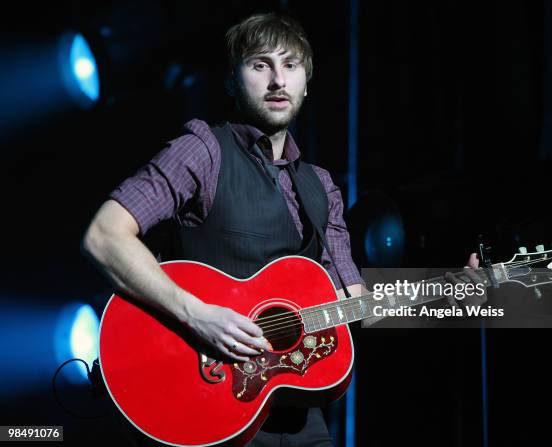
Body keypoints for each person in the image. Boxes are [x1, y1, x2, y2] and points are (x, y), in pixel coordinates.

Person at [82, 12, 482, 446]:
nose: (277, 81)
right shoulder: (203, 151)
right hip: (204, 398)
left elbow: (355, 303)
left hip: (295, 417)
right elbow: (105, 236)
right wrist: (198, 315)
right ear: (232, 82)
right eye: (260, 65)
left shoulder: (320, 186)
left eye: (290, 66)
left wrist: (451, 292)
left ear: (306, 84)